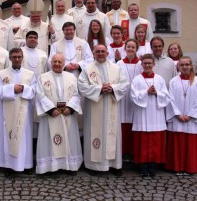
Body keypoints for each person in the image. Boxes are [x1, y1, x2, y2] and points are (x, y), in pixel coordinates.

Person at [78, 44, 128, 176]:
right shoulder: (87, 69)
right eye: (98, 51)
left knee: (112, 134)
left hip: (112, 106)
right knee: (94, 133)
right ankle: (94, 166)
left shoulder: (116, 68)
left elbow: (124, 84)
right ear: (93, 54)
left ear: (107, 53)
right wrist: (99, 89)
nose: (100, 54)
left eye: (103, 51)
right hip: (94, 107)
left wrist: (112, 88)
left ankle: (114, 165)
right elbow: (81, 86)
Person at [35, 54, 83, 174]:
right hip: (51, 115)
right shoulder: (43, 77)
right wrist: (51, 109)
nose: (57, 64)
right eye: (55, 61)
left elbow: (77, 94)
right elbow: (40, 95)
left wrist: (71, 108)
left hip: (67, 114)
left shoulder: (71, 77)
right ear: (51, 63)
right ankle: (51, 166)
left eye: (59, 62)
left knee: (68, 138)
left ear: (64, 63)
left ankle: (69, 165)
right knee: (50, 139)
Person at [0, 48, 36, 175]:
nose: (17, 59)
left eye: (19, 56)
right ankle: (8, 165)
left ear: (22, 58)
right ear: (10, 58)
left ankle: (26, 164)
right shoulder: (2, 74)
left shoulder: (30, 74)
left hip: (24, 110)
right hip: (7, 110)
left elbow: (34, 90)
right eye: (14, 57)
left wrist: (23, 88)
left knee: (23, 136)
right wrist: (12, 88)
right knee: (8, 135)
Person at [130, 54, 170, 177]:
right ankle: (142, 167)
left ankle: (153, 167)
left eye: (149, 63)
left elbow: (166, 96)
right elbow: (133, 96)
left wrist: (157, 93)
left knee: (155, 142)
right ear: (141, 65)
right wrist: (146, 92)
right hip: (142, 115)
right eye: (145, 63)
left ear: (154, 64)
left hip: (156, 115)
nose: (147, 65)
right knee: (142, 142)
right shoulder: (136, 79)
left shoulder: (159, 79)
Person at [166, 56, 197, 175]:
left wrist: (190, 115)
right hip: (177, 118)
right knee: (177, 145)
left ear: (191, 66)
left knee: (190, 146)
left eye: (187, 64)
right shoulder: (173, 81)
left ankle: (190, 168)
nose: (184, 67)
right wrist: (177, 114)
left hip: (191, 119)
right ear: (178, 67)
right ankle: (176, 167)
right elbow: (170, 99)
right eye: (182, 65)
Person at [116, 39, 143, 160]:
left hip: (136, 97)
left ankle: (133, 151)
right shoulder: (119, 64)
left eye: (133, 47)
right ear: (125, 48)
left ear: (136, 49)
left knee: (134, 122)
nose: (131, 49)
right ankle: (122, 151)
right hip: (122, 96)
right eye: (128, 47)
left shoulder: (141, 64)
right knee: (122, 123)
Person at [21, 31, 48, 138]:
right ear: (26, 39)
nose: (32, 39)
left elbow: (46, 70)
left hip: (39, 88)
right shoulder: (20, 52)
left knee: (38, 114)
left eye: (35, 38)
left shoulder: (43, 54)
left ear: (37, 40)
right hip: (25, 88)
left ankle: (37, 140)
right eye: (30, 37)